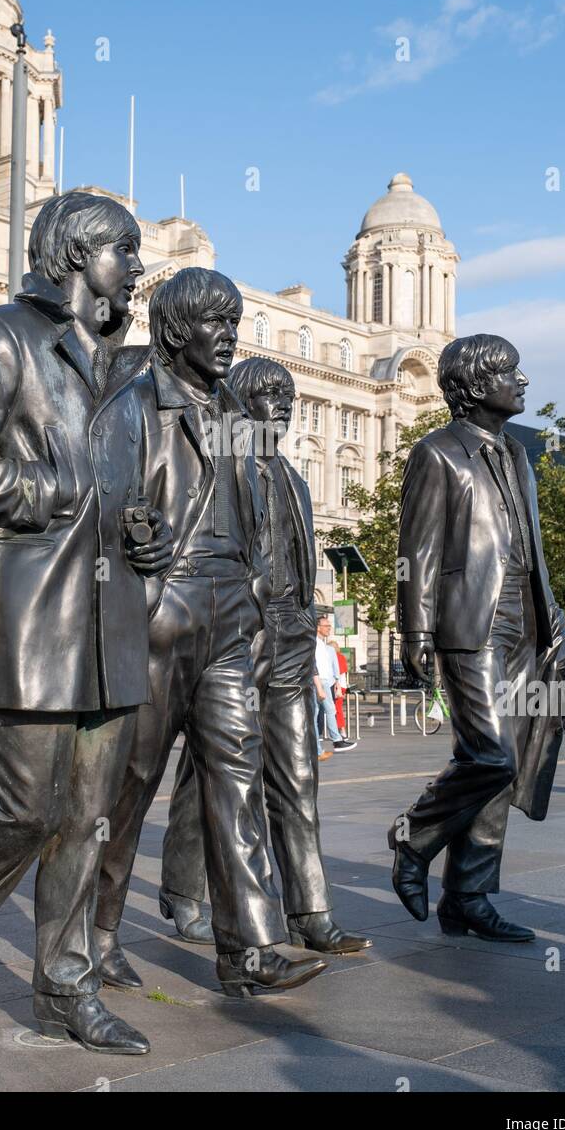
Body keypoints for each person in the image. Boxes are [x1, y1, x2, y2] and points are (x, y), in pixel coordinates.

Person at [0, 191, 173, 1053]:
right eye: (124, 251)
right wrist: (42, 495)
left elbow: (128, 487)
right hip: (33, 617)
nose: (136, 268)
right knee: (29, 810)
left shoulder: (128, 370)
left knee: (90, 819)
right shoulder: (1, 335)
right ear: (74, 254)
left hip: (113, 619)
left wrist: (142, 528)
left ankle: (66, 990)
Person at [94, 271, 327, 998]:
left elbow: (255, 508)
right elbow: (96, 510)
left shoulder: (233, 415)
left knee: (235, 776)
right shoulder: (133, 408)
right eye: (213, 324)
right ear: (173, 332)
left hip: (232, 617)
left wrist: (258, 592)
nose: (228, 336)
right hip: (163, 611)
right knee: (130, 783)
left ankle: (251, 949)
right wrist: (134, 541)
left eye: (234, 323)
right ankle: (95, 932)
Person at [158, 357, 372, 956]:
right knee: (219, 773)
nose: (281, 404)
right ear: (241, 402)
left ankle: (311, 911)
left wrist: (307, 619)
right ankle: (183, 891)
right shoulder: (226, 467)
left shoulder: (298, 482)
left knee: (298, 776)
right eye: (269, 394)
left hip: (293, 638)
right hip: (239, 633)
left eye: (289, 395)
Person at [390, 333, 565, 943]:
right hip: (471, 621)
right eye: (510, 372)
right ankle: (414, 837)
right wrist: (414, 629)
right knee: (490, 755)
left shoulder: (518, 455)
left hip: (526, 619)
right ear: (474, 386)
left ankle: (467, 896)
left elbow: (532, 546)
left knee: (509, 761)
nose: (522, 381)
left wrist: (555, 619)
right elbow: (415, 552)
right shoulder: (437, 453)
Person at [315, 616, 357, 754]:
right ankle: (336, 741)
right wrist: (320, 686)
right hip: (320, 681)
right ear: (318, 627)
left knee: (316, 713)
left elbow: (329, 667)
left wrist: (336, 683)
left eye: (329, 626)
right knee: (330, 711)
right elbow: (315, 667)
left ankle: (318, 748)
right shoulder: (315, 644)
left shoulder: (322, 645)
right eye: (326, 625)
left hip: (325, 681)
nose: (329, 628)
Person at [330, 639, 349, 733]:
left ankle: (341, 729)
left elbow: (338, 673)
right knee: (337, 708)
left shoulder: (336, 657)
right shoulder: (341, 657)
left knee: (336, 708)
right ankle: (339, 729)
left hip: (337, 686)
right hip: (341, 686)